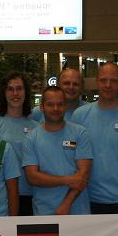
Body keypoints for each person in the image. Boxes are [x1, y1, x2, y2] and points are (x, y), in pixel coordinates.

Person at [69, 62, 118, 214]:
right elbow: (71, 159)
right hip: (86, 198)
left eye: (113, 80)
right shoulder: (80, 115)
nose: (108, 85)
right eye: (103, 80)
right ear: (96, 82)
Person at [23, 86, 94, 216]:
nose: (56, 109)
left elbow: (84, 175)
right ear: (42, 107)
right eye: (50, 104)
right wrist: (67, 180)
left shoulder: (80, 133)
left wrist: (66, 204)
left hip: (78, 212)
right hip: (44, 212)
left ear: (65, 106)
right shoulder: (31, 138)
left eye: (60, 104)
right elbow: (32, 177)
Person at [0, 71, 39, 216]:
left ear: (26, 92)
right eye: (10, 89)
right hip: (3, 194)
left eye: (19, 88)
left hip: (30, 194)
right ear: (4, 93)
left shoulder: (36, 127)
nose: (15, 93)